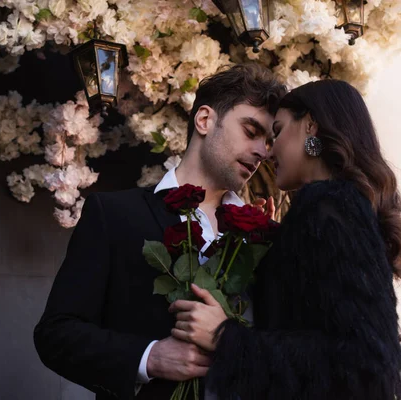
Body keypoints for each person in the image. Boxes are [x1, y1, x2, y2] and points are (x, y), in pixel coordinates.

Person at [33, 63, 287, 400]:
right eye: (251, 131)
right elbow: (56, 334)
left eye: (269, 141)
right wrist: (149, 357)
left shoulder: (266, 237)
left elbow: (288, 347)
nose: (262, 152)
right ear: (205, 120)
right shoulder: (113, 216)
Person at [170, 79, 401, 399]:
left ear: (310, 126)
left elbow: (367, 363)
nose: (267, 150)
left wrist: (226, 338)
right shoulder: (328, 208)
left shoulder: (330, 208)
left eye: (276, 132)